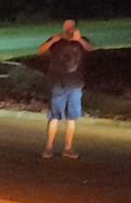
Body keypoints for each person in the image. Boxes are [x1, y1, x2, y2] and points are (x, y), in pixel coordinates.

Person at [39, 19, 93, 158]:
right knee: (54, 117)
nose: (69, 30)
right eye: (67, 27)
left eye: (71, 27)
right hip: (59, 84)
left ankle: (68, 148)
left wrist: (79, 39)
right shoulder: (57, 41)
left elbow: (90, 49)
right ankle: (49, 147)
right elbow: (41, 50)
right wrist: (52, 41)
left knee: (72, 118)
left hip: (75, 85)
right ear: (64, 28)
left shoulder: (80, 41)